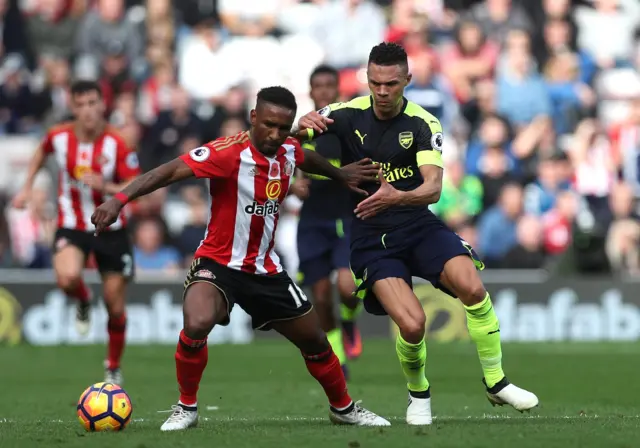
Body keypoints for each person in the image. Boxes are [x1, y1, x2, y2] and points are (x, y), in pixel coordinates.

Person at [91, 86, 390, 431]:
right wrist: (119, 201)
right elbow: (168, 171)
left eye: (283, 126)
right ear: (253, 118)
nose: (275, 134)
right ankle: (186, 407)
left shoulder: (288, 149)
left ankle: (344, 408)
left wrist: (341, 173)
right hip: (218, 264)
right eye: (268, 125)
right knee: (198, 321)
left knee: (316, 341)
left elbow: (304, 156)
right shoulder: (226, 153)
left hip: (266, 269)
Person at [294, 42, 539, 426]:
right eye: (375, 83)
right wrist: (300, 126)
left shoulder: (424, 123)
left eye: (391, 83)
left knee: (472, 287)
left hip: (416, 223)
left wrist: (397, 196)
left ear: (406, 80)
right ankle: (419, 394)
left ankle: (497, 381)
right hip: (370, 236)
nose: (382, 91)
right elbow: (288, 139)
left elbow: (434, 188)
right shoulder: (345, 114)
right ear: (367, 80)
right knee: (412, 323)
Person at [13, 80, 140, 385]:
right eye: (80, 105)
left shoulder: (118, 142)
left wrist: (106, 186)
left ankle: (113, 365)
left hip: (111, 228)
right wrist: (28, 187)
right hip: (71, 222)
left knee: (114, 302)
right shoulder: (58, 136)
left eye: (92, 103)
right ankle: (83, 299)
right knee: (67, 277)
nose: (87, 111)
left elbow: (136, 185)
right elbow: (39, 153)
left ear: (102, 105)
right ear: (72, 108)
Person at [292, 65, 363, 377]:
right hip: (312, 221)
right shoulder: (300, 133)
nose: (322, 91)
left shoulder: (348, 128)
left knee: (348, 287)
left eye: (328, 85)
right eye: (317, 86)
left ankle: (348, 320)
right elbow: (290, 173)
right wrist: (296, 186)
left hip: (344, 218)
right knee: (320, 295)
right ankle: (338, 356)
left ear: (337, 90)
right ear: (310, 92)